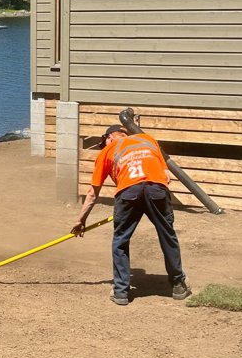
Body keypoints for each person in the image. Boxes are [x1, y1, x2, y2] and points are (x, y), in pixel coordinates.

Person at [71, 124, 191, 306]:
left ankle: (121, 292)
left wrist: (81, 220)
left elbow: (92, 193)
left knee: (120, 241)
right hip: (157, 190)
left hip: (128, 193)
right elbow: (167, 176)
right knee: (167, 235)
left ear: (110, 137)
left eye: (104, 142)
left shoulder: (107, 151)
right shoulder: (148, 139)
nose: (105, 145)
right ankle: (178, 285)